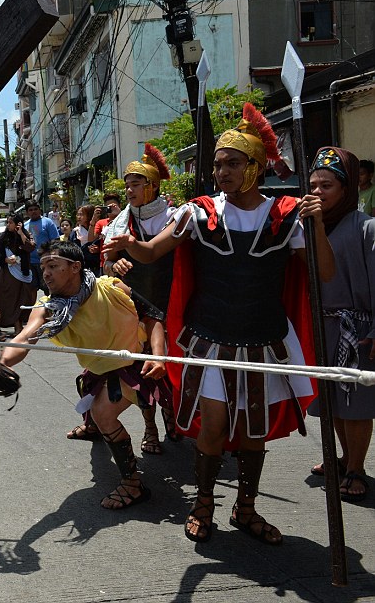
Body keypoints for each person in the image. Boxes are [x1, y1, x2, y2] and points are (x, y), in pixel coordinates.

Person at [104, 102, 335, 545]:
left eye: (233, 162)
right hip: (210, 339)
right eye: (217, 163)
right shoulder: (198, 212)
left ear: (255, 166)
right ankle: (204, 503)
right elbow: (153, 252)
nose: (221, 171)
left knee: (252, 433)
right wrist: (129, 244)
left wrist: (318, 223)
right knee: (212, 427)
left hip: (263, 340)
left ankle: (244, 509)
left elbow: (323, 273)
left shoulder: (287, 215)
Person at [0, 240, 168, 511]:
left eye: (53, 266)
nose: (46, 273)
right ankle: (101, 429)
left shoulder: (111, 288)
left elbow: (153, 316)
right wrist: (2, 363)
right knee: (87, 389)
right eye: (43, 267)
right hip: (100, 366)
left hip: (137, 358)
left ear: (75, 267)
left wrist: (157, 355)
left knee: (107, 412)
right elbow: (25, 337)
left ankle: (133, 482)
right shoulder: (48, 306)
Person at [304, 147, 374, 502]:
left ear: (345, 190)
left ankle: (357, 467)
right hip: (323, 326)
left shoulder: (366, 227)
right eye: (313, 185)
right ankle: (344, 457)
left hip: (357, 330)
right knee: (331, 400)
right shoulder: (308, 226)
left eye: (326, 185)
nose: (317, 192)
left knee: (357, 404)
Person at [100, 143, 180, 453]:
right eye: (127, 185)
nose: (130, 190)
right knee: (141, 372)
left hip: (171, 304)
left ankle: (172, 417)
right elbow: (106, 263)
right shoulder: (119, 222)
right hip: (134, 309)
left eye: (136, 184)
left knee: (171, 368)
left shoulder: (174, 216)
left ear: (153, 185)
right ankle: (150, 428)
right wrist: (113, 263)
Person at [0, 212, 36, 333]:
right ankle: (16, 326)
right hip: (8, 274)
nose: (8, 225)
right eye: (8, 222)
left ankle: (21, 324)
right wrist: (6, 260)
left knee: (23, 300)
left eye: (11, 222)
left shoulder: (26, 234)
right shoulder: (3, 237)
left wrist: (21, 232)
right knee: (10, 300)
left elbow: (30, 247)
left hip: (23, 272)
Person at [24, 199, 60, 292]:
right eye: (30, 210)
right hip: (31, 263)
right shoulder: (25, 225)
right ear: (27, 212)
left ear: (40, 210)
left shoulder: (48, 222)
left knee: (49, 288)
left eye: (35, 209)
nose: (33, 212)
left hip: (46, 261)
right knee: (31, 289)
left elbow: (56, 241)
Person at [71, 204, 102, 274]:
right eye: (77, 214)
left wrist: (98, 250)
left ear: (89, 216)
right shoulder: (75, 232)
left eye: (81, 215)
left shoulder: (98, 231)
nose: (78, 217)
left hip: (96, 268)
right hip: (81, 268)